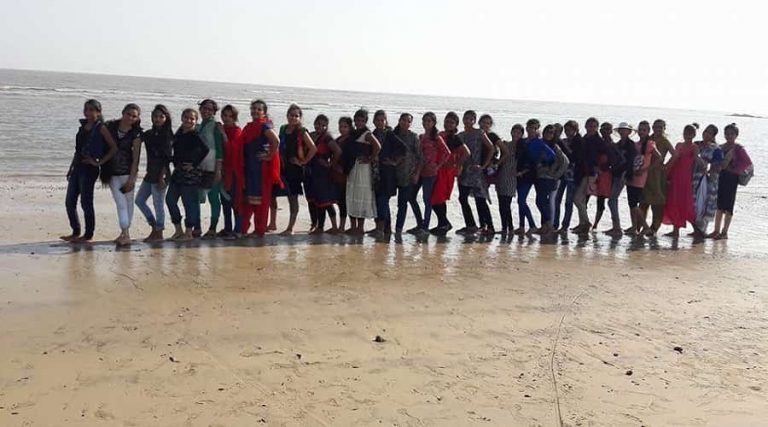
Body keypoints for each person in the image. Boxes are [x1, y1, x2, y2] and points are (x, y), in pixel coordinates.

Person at [62, 99, 118, 243]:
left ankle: (88, 235)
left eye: (91, 110)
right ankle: (75, 231)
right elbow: (77, 150)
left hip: (89, 169)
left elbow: (113, 148)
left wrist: (98, 162)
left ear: (98, 112)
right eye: (86, 109)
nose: (87, 112)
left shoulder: (101, 128)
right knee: (69, 202)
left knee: (86, 202)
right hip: (77, 167)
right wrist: (71, 168)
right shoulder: (82, 127)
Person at [166, 109, 210, 241]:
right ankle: (178, 230)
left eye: (192, 119)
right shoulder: (179, 133)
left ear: (196, 121)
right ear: (182, 118)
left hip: (190, 174)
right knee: (170, 200)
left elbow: (205, 150)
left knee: (189, 203)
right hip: (178, 172)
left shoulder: (195, 135)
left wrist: (194, 164)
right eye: (186, 117)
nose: (189, 120)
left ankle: (189, 233)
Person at [240, 100, 281, 238]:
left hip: (261, 169)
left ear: (264, 112)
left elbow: (276, 141)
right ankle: (244, 229)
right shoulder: (249, 127)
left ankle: (259, 230)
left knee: (261, 201)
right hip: (250, 167)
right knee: (249, 200)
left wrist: (269, 156)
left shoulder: (265, 126)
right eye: (254, 108)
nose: (256, 111)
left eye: (259, 109)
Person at [104, 103, 143, 246]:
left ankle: (125, 233)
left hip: (127, 173)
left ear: (137, 118)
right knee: (120, 203)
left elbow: (136, 158)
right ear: (123, 113)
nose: (130, 118)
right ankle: (125, 232)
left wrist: (132, 178)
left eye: (134, 116)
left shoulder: (136, 134)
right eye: (128, 114)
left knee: (128, 203)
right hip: (112, 172)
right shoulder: (110, 127)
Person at [275, 104, 317, 235]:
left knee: (293, 198)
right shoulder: (283, 129)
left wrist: (302, 162)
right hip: (283, 168)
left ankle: (290, 228)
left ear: (300, 118)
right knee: (285, 196)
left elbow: (313, 148)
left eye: (296, 116)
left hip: (295, 170)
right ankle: (276, 224)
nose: (293, 118)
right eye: (291, 115)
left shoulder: (301, 131)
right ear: (287, 116)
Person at [135, 104, 173, 242]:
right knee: (139, 201)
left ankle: (159, 232)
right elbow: (136, 136)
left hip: (161, 174)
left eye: (161, 117)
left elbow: (167, 158)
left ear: (166, 118)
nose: (158, 119)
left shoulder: (167, 135)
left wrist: (162, 176)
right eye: (155, 116)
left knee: (158, 204)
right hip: (150, 172)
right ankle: (154, 226)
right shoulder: (149, 134)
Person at [708, 123, 752, 240]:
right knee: (719, 205)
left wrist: (734, 169)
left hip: (732, 179)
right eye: (727, 134)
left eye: (732, 134)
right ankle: (716, 230)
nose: (729, 136)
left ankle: (724, 232)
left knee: (729, 206)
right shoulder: (721, 147)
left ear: (736, 135)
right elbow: (715, 161)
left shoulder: (738, 148)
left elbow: (747, 162)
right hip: (721, 177)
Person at [430, 112, 470, 235]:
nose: (448, 124)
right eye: (447, 121)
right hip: (438, 169)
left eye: (452, 122)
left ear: (456, 125)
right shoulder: (440, 134)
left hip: (447, 171)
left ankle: (444, 224)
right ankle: (443, 223)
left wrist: (457, 165)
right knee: (434, 198)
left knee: (439, 197)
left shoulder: (455, 138)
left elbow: (466, 152)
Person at [457, 110, 494, 235]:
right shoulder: (460, 135)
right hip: (464, 171)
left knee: (480, 200)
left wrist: (484, 166)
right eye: (466, 118)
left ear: (474, 121)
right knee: (462, 198)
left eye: (471, 119)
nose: (468, 121)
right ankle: (471, 225)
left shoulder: (479, 133)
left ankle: (490, 227)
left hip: (476, 172)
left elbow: (491, 148)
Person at [344, 108, 381, 235]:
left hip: (363, 169)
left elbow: (377, 147)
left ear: (365, 121)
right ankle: (353, 226)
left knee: (361, 196)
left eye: (362, 121)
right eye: (357, 120)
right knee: (352, 195)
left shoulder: (367, 134)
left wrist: (370, 159)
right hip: (353, 167)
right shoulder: (353, 133)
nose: (359, 123)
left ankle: (360, 228)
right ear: (354, 120)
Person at [661, 124, 701, 237]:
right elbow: (673, 159)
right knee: (674, 202)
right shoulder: (679, 145)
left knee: (685, 204)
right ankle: (676, 230)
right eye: (686, 133)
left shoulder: (694, 147)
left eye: (690, 133)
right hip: (675, 175)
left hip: (684, 178)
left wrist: (704, 168)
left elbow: (697, 160)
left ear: (694, 135)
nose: (687, 135)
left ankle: (697, 230)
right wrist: (666, 171)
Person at [308, 114, 343, 234]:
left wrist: (330, 164)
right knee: (317, 201)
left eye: (323, 125)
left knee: (325, 201)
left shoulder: (327, 138)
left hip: (323, 173)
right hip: (313, 172)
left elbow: (338, 151)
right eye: (318, 124)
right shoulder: (312, 135)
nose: (320, 127)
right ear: (314, 123)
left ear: (327, 127)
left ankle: (332, 227)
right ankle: (319, 226)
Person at [196, 99, 226, 238]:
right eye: (204, 108)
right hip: (199, 166)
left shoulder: (216, 127)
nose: (206, 111)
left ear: (214, 112)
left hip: (212, 166)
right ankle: (196, 227)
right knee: (196, 197)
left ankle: (213, 228)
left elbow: (219, 150)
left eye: (210, 109)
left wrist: (218, 170)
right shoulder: (198, 126)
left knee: (213, 198)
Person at [640, 119, 675, 236]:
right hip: (646, 172)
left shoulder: (665, 141)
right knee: (643, 201)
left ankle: (654, 227)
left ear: (664, 129)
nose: (657, 129)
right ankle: (640, 225)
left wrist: (666, 166)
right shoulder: (649, 138)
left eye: (660, 127)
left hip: (658, 174)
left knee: (657, 202)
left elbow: (675, 154)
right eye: (655, 127)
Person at [372, 110, 405, 236]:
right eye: (378, 120)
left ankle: (380, 229)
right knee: (379, 202)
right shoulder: (373, 134)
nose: (380, 122)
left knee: (382, 201)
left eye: (382, 120)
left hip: (387, 175)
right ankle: (387, 229)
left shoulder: (389, 134)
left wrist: (395, 162)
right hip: (376, 174)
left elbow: (403, 148)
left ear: (386, 122)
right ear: (374, 121)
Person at [625, 121, 659, 236]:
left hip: (640, 178)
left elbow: (659, 158)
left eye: (644, 130)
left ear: (648, 131)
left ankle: (646, 227)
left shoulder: (650, 144)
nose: (641, 132)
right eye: (640, 130)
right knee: (631, 204)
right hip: (632, 175)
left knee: (634, 204)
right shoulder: (636, 144)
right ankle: (634, 227)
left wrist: (645, 170)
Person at [419, 112, 451, 232]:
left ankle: (425, 226)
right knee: (416, 197)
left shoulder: (436, 137)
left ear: (433, 123)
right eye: (424, 120)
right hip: (421, 171)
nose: (426, 123)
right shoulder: (421, 137)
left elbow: (447, 153)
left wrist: (437, 166)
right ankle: (422, 223)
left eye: (429, 121)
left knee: (428, 199)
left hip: (431, 173)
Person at [604, 122, 637, 236]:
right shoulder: (617, 145)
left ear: (629, 132)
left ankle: (617, 227)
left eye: (625, 130)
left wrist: (625, 174)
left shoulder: (631, 145)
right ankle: (616, 226)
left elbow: (631, 161)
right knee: (613, 200)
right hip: (615, 174)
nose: (622, 132)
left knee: (612, 200)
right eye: (621, 130)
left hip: (623, 175)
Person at [393, 113, 423, 234]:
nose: (406, 123)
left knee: (403, 203)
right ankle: (385, 227)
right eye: (404, 120)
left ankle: (398, 229)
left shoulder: (413, 137)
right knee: (386, 200)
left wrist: (416, 174)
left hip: (408, 174)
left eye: (408, 121)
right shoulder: (394, 135)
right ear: (399, 120)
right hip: (394, 173)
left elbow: (420, 158)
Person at [537, 124, 568, 235]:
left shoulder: (555, 147)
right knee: (541, 201)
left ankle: (549, 225)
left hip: (549, 178)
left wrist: (556, 175)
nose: (549, 134)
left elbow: (565, 161)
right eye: (547, 132)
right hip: (539, 177)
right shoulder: (540, 144)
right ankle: (545, 225)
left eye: (551, 133)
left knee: (543, 201)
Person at [572, 117, 601, 234]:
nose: (591, 128)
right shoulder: (584, 139)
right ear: (585, 126)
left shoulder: (598, 141)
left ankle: (587, 222)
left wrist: (600, 167)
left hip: (590, 174)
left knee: (577, 199)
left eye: (594, 126)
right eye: (589, 126)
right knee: (582, 200)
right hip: (581, 172)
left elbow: (606, 154)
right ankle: (582, 223)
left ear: (597, 128)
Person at [477, 114, 506, 234]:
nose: (485, 125)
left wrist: (496, 164)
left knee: (481, 197)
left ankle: (490, 226)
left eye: (488, 123)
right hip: (477, 169)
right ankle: (482, 225)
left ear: (491, 125)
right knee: (478, 198)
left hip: (487, 170)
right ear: (479, 123)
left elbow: (505, 151)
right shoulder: (477, 134)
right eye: (483, 122)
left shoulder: (493, 136)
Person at [693, 124, 723, 234]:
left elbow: (717, 166)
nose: (706, 134)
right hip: (693, 177)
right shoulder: (696, 144)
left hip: (706, 180)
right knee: (693, 202)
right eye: (705, 131)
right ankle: (696, 229)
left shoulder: (716, 149)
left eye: (709, 133)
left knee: (703, 203)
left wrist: (707, 172)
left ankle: (702, 230)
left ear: (713, 136)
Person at [220, 104, 244, 238]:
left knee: (236, 201)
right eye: (225, 115)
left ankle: (238, 230)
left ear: (234, 117)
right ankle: (227, 228)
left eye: (230, 116)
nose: (227, 118)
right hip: (223, 170)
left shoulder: (237, 131)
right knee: (225, 201)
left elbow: (231, 151)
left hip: (235, 172)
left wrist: (223, 135)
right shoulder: (221, 128)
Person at [514, 119, 541, 235]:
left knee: (521, 200)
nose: (531, 130)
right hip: (518, 174)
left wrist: (523, 171)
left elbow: (535, 162)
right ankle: (521, 226)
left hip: (529, 175)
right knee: (520, 201)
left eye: (534, 128)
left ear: (537, 129)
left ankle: (532, 225)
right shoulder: (522, 141)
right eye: (529, 127)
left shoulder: (538, 143)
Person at [591, 122, 619, 232]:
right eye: (603, 129)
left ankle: (596, 224)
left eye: (608, 129)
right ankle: (591, 223)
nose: (605, 132)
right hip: (597, 172)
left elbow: (615, 160)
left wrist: (606, 167)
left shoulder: (612, 145)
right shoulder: (599, 142)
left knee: (602, 199)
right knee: (590, 196)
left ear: (611, 131)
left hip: (606, 174)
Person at [554, 120, 580, 234]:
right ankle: (555, 224)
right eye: (566, 130)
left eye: (570, 130)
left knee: (568, 202)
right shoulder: (563, 141)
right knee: (557, 200)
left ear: (575, 130)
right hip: (562, 174)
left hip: (572, 176)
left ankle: (565, 226)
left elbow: (573, 156)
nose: (567, 132)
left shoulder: (578, 141)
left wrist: (561, 143)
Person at [495, 124, 521, 235]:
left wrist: (521, 172)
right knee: (501, 204)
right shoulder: (505, 144)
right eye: (514, 131)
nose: (516, 134)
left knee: (506, 204)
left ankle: (510, 228)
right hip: (502, 175)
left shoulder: (522, 147)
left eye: (518, 133)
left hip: (512, 177)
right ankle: (504, 227)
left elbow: (528, 162)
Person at [332, 117, 354, 232]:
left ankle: (342, 226)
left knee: (344, 200)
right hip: (336, 173)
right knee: (338, 200)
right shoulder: (338, 140)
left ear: (350, 128)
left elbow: (351, 158)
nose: (342, 129)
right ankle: (339, 226)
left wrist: (345, 169)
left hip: (346, 175)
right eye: (341, 126)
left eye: (345, 127)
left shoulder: (351, 141)